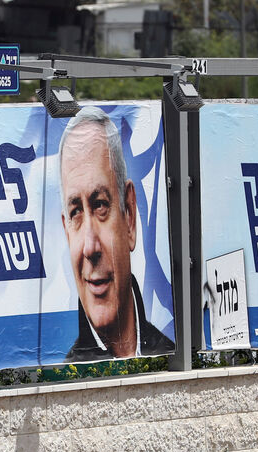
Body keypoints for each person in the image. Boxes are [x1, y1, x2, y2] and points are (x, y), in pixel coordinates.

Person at [58, 106, 174, 361]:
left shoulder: (171, 351)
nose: (90, 247)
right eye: (76, 212)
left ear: (130, 216)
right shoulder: (64, 380)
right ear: (67, 233)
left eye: (100, 205)